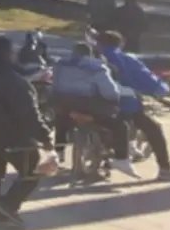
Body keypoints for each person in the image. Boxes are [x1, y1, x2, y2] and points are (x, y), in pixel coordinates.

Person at [0, 35, 55, 229]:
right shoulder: (12, 80)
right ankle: (7, 205)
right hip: (11, 136)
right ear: (6, 54)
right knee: (32, 170)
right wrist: (45, 137)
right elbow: (29, 114)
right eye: (13, 51)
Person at [95, 30, 170, 180]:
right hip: (123, 105)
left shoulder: (90, 57)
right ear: (120, 44)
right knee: (154, 129)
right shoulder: (125, 59)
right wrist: (162, 90)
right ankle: (165, 169)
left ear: (98, 44)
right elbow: (147, 78)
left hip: (88, 104)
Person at [51, 42, 137, 178]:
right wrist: (116, 97)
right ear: (90, 54)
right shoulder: (96, 67)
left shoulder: (60, 65)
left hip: (65, 107)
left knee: (61, 121)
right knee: (121, 126)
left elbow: (55, 86)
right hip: (90, 108)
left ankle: (58, 152)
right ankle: (121, 159)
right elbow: (110, 92)